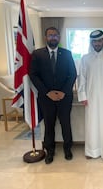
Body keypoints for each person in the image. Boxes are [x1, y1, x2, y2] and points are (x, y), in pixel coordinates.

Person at [29, 26, 77, 164]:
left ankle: (68, 149)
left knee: (65, 124)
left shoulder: (67, 54)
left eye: (55, 35)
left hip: (64, 97)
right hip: (46, 98)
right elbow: (34, 75)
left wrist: (63, 92)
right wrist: (47, 92)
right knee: (49, 125)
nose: (53, 37)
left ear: (59, 37)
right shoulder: (37, 54)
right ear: (45, 37)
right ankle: (50, 151)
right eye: (50, 35)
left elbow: (72, 74)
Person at [77, 30, 103, 161]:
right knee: (92, 124)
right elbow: (82, 78)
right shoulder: (85, 58)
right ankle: (92, 151)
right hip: (91, 98)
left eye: (99, 41)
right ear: (91, 42)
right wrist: (83, 96)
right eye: (94, 41)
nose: (97, 43)